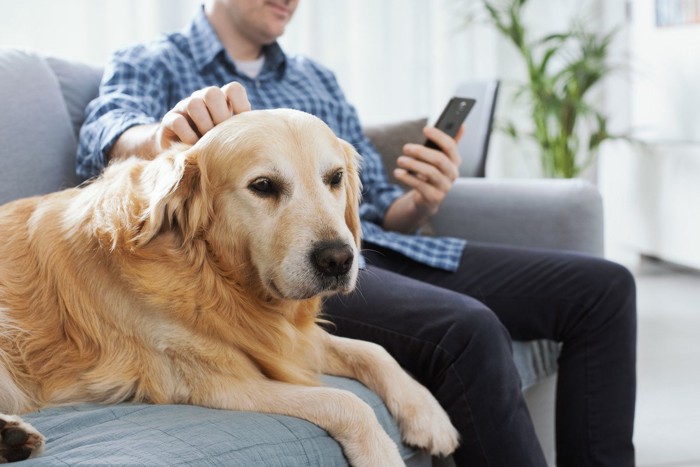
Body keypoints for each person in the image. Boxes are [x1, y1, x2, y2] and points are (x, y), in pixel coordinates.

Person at [77, 1, 637, 465]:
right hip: (275, 270)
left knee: (604, 289)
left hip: (375, 246)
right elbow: (105, 131)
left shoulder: (315, 77)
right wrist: (161, 137)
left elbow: (377, 207)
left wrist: (420, 200)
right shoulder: (154, 59)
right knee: (469, 328)